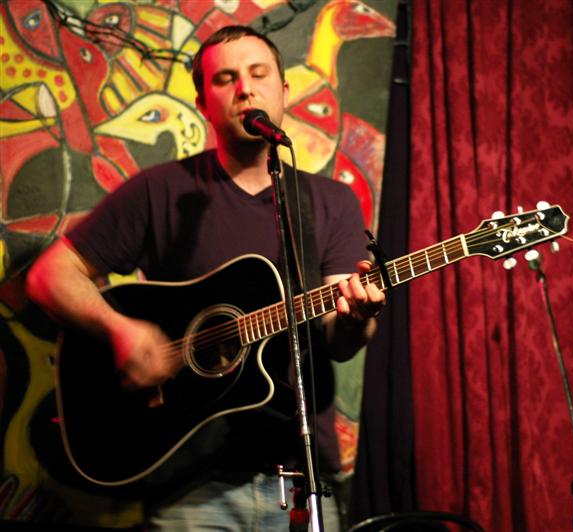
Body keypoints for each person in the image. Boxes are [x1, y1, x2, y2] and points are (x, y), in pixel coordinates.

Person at [25, 25, 385, 530]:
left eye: (258, 74)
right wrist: (121, 331)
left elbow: (339, 340)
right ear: (202, 104)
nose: (245, 89)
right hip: (188, 484)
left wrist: (357, 316)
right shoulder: (161, 192)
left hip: (299, 481)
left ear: (285, 91)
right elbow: (49, 276)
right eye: (226, 79)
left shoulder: (331, 202)